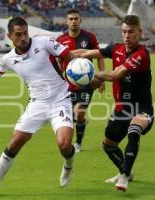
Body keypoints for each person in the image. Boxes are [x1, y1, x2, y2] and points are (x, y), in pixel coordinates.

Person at [0, 17, 76, 198]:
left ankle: (68, 164)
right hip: (37, 104)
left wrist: (81, 72)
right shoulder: (8, 59)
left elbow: (70, 56)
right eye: (18, 35)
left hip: (60, 100)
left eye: (25, 33)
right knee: (15, 143)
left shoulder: (43, 43)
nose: (23, 38)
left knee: (64, 144)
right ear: (10, 36)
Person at [72, 15, 154, 191]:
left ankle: (124, 175)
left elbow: (114, 76)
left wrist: (88, 73)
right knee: (108, 146)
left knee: (134, 130)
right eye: (124, 31)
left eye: (131, 32)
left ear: (140, 32)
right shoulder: (116, 48)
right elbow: (86, 53)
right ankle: (124, 170)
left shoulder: (142, 54)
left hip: (141, 107)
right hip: (122, 108)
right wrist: (65, 54)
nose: (127, 36)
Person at [56, 8, 105, 153]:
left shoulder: (89, 37)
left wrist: (101, 77)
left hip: (86, 82)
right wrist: (60, 77)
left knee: (79, 112)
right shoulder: (61, 40)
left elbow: (99, 57)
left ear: (80, 20)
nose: (73, 22)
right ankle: (72, 136)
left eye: (76, 19)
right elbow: (58, 60)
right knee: (69, 115)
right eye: (71, 19)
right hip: (67, 84)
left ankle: (77, 143)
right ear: (66, 21)